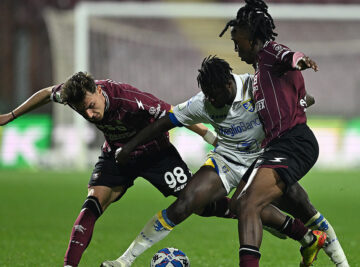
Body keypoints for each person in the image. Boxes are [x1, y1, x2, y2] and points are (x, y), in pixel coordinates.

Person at [101, 56, 326, 267]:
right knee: (184, 204)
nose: (209, 99)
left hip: (262, 161)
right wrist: (128, 148)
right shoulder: (203, 103)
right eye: (206, 94)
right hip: (226, 159)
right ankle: (124, 261)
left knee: (246, 206)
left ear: (228, 85)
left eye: (213, 94)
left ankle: (306, 237)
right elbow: (163, 123)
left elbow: (304, 98)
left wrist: (299, 102)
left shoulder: (256, 89)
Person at [0, 72, 233, 267]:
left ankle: (244, 209)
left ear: (99, 92)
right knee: (93, 202)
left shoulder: (130, 100)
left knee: (197, 204)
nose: (90, 114)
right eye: (83, 112)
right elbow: (46, 93)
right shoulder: (74, 95)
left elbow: (176, 114)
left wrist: (208, 135)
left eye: (91, 106)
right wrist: (11, 116)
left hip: (157, 155)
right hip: (117, 154)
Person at [219, 0, 349, 267]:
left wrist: (301, 61)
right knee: (241, 205)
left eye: (238, 42)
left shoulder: (268, 52)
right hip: (276, 147)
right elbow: (302, 97)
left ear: (253, 39)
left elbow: (289, 56)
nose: (236, 49)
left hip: (294, 143)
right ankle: (318, 245)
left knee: (250, 204)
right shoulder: (258, 75)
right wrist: (300, 101)